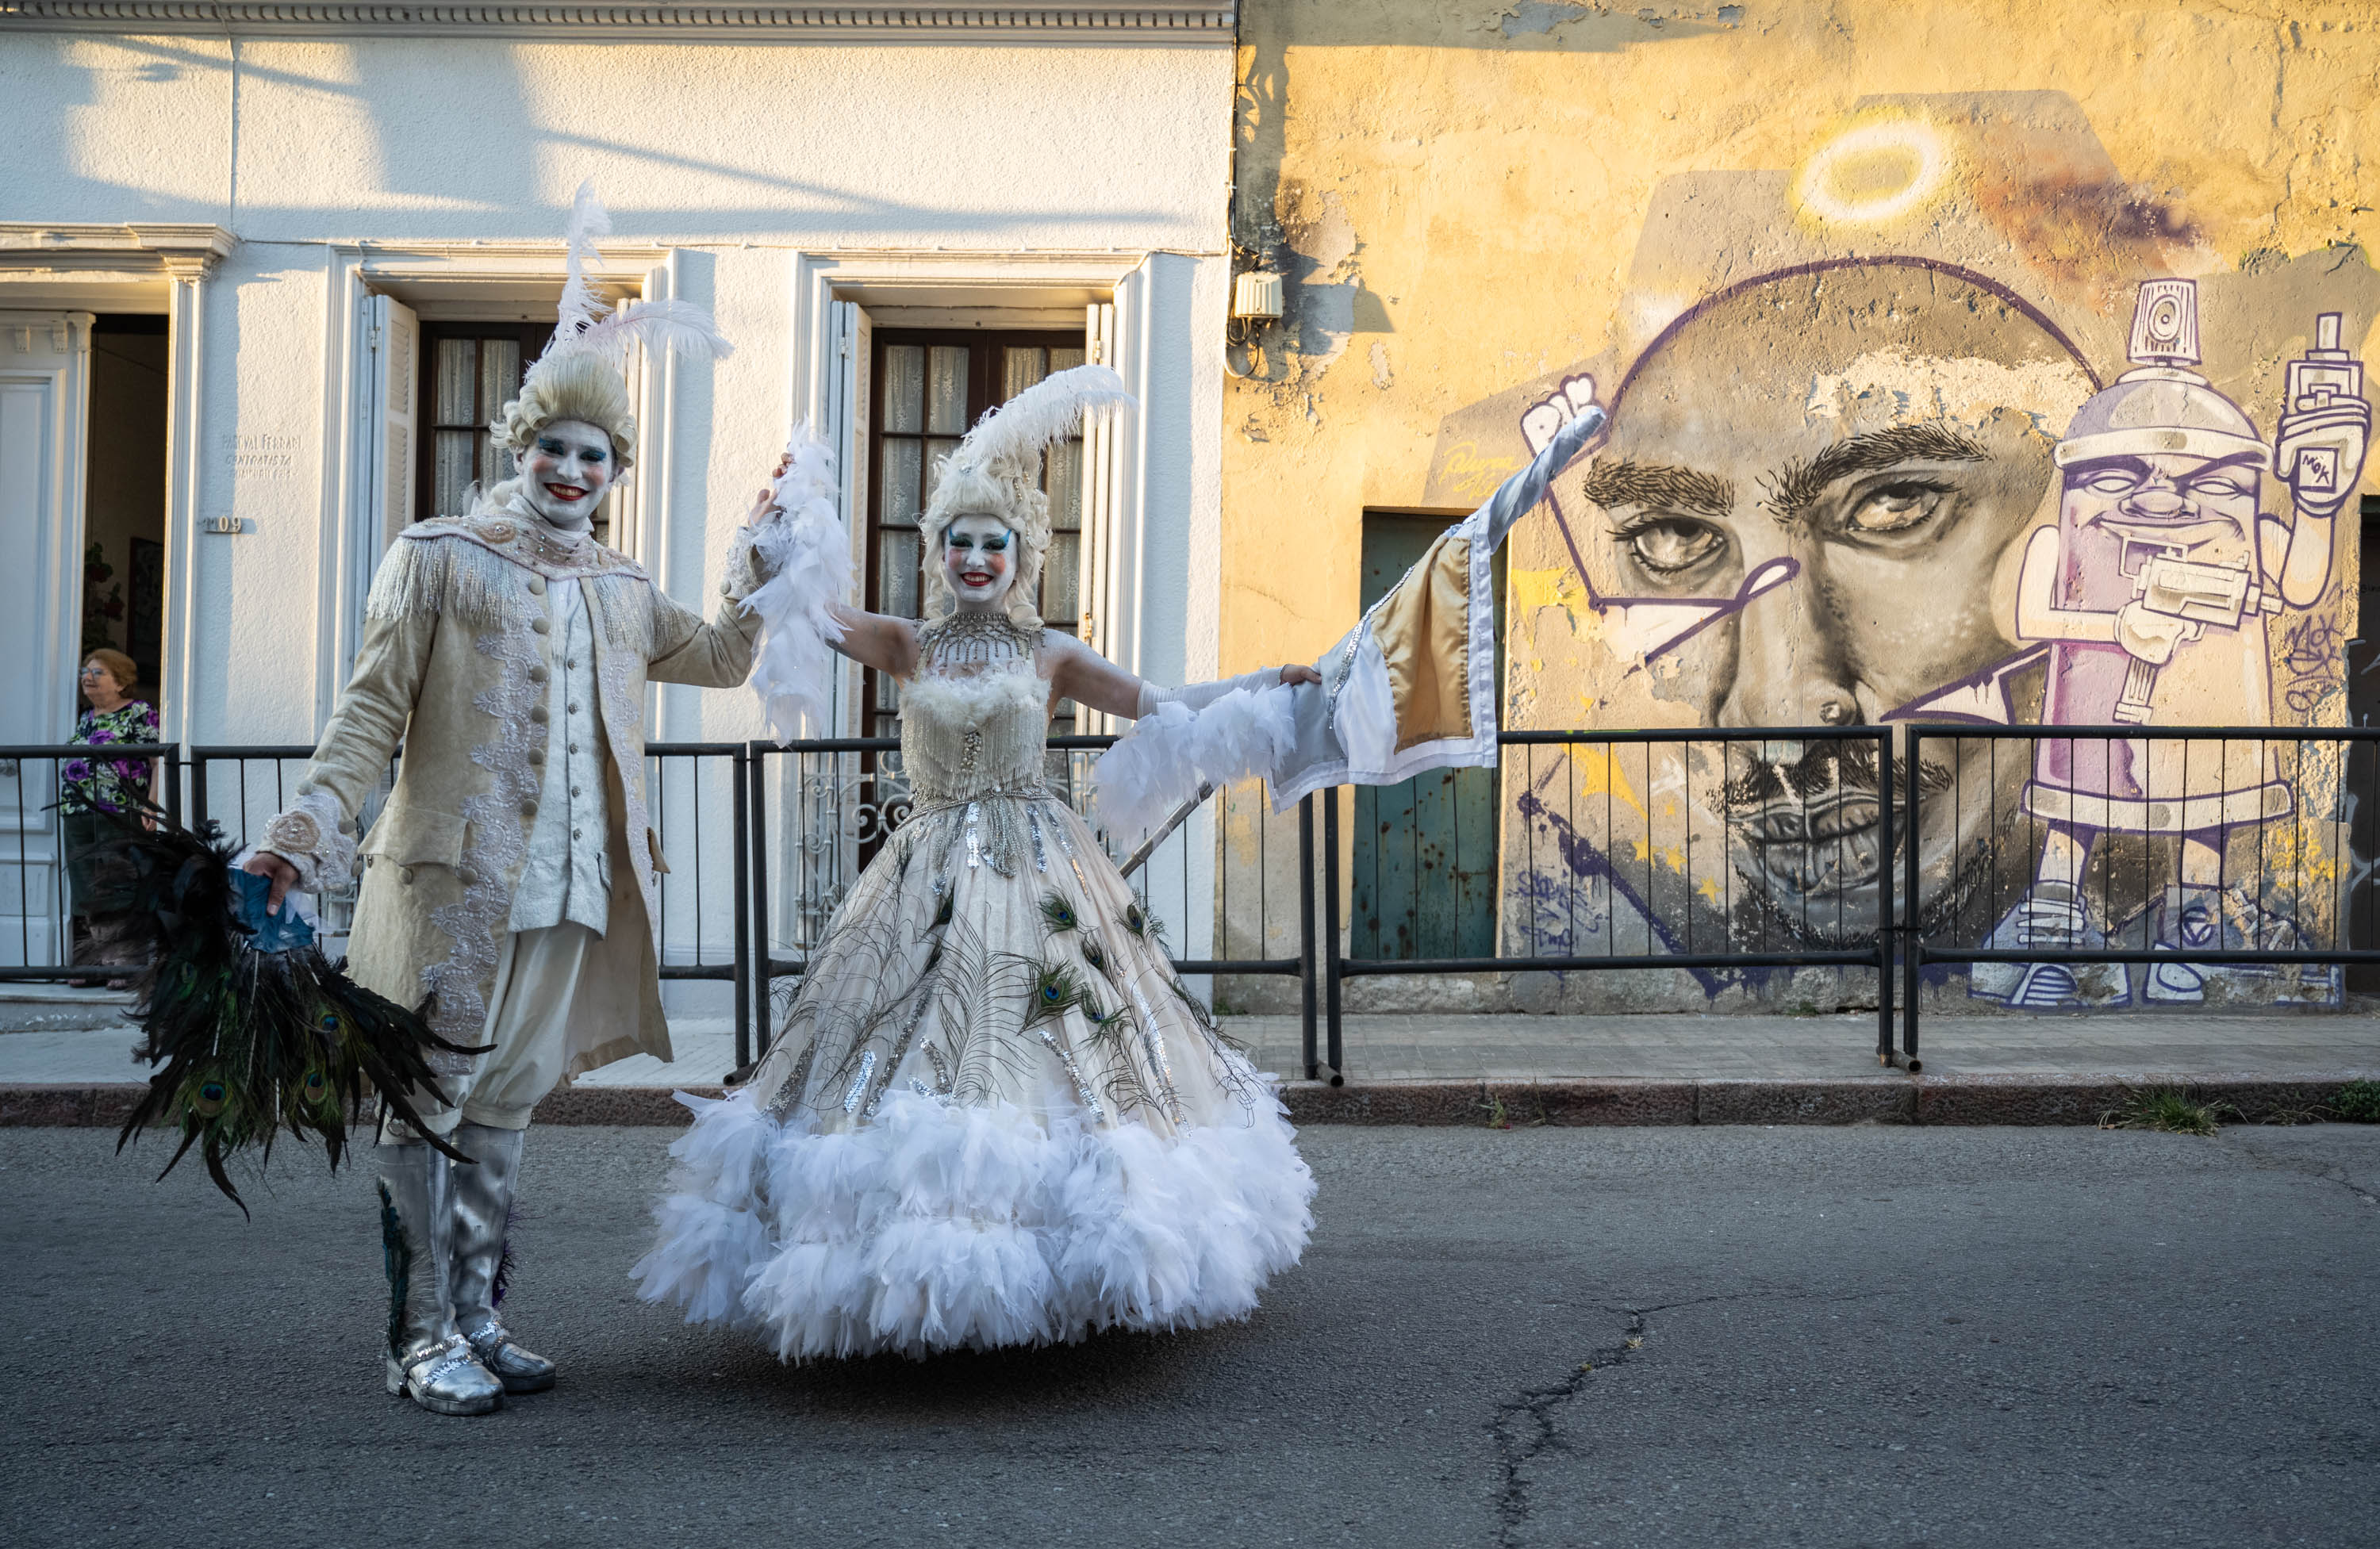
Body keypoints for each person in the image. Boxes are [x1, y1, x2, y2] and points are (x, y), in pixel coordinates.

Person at [633, 365, 1320, 1360]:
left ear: (1023, 555)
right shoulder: (907, 643)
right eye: (959, 541)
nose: (975, 557)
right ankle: (916, 1253)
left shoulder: (1050, 653)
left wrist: (1267, 682)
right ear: (938, 551)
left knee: (1051, 1045)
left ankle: (1047, 1260)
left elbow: (1164, 702)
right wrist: (772, 523)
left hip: (1039, 872)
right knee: (900, 1043)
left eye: (994, 543)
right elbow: (800, 609)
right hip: (921, 876)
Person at [242, 184, 759, 1417]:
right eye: (553, 448)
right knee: (425, 1105)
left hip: (573, 887)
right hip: (448, 886)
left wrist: (764, 558)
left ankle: (476, 1316)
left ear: (615, 472)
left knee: (506, 1107)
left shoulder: (624, 587)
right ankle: (419, 1337)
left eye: (594, 455)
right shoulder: (435, 559)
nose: (571, 470)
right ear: (517, 447)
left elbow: (722, 658)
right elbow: (369, 714)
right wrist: (302, 833)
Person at [60, 647, 160, 986]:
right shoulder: (86, 717)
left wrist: (151, 804)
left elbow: (156, 761)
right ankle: (98, 959)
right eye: (84, 672)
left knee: (118, 883)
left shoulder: (139, 712)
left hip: (119, 812)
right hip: (77, 811)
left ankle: (126, 960)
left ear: (121, 682)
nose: (87, 677)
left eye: (98, 672)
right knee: (86, 886)